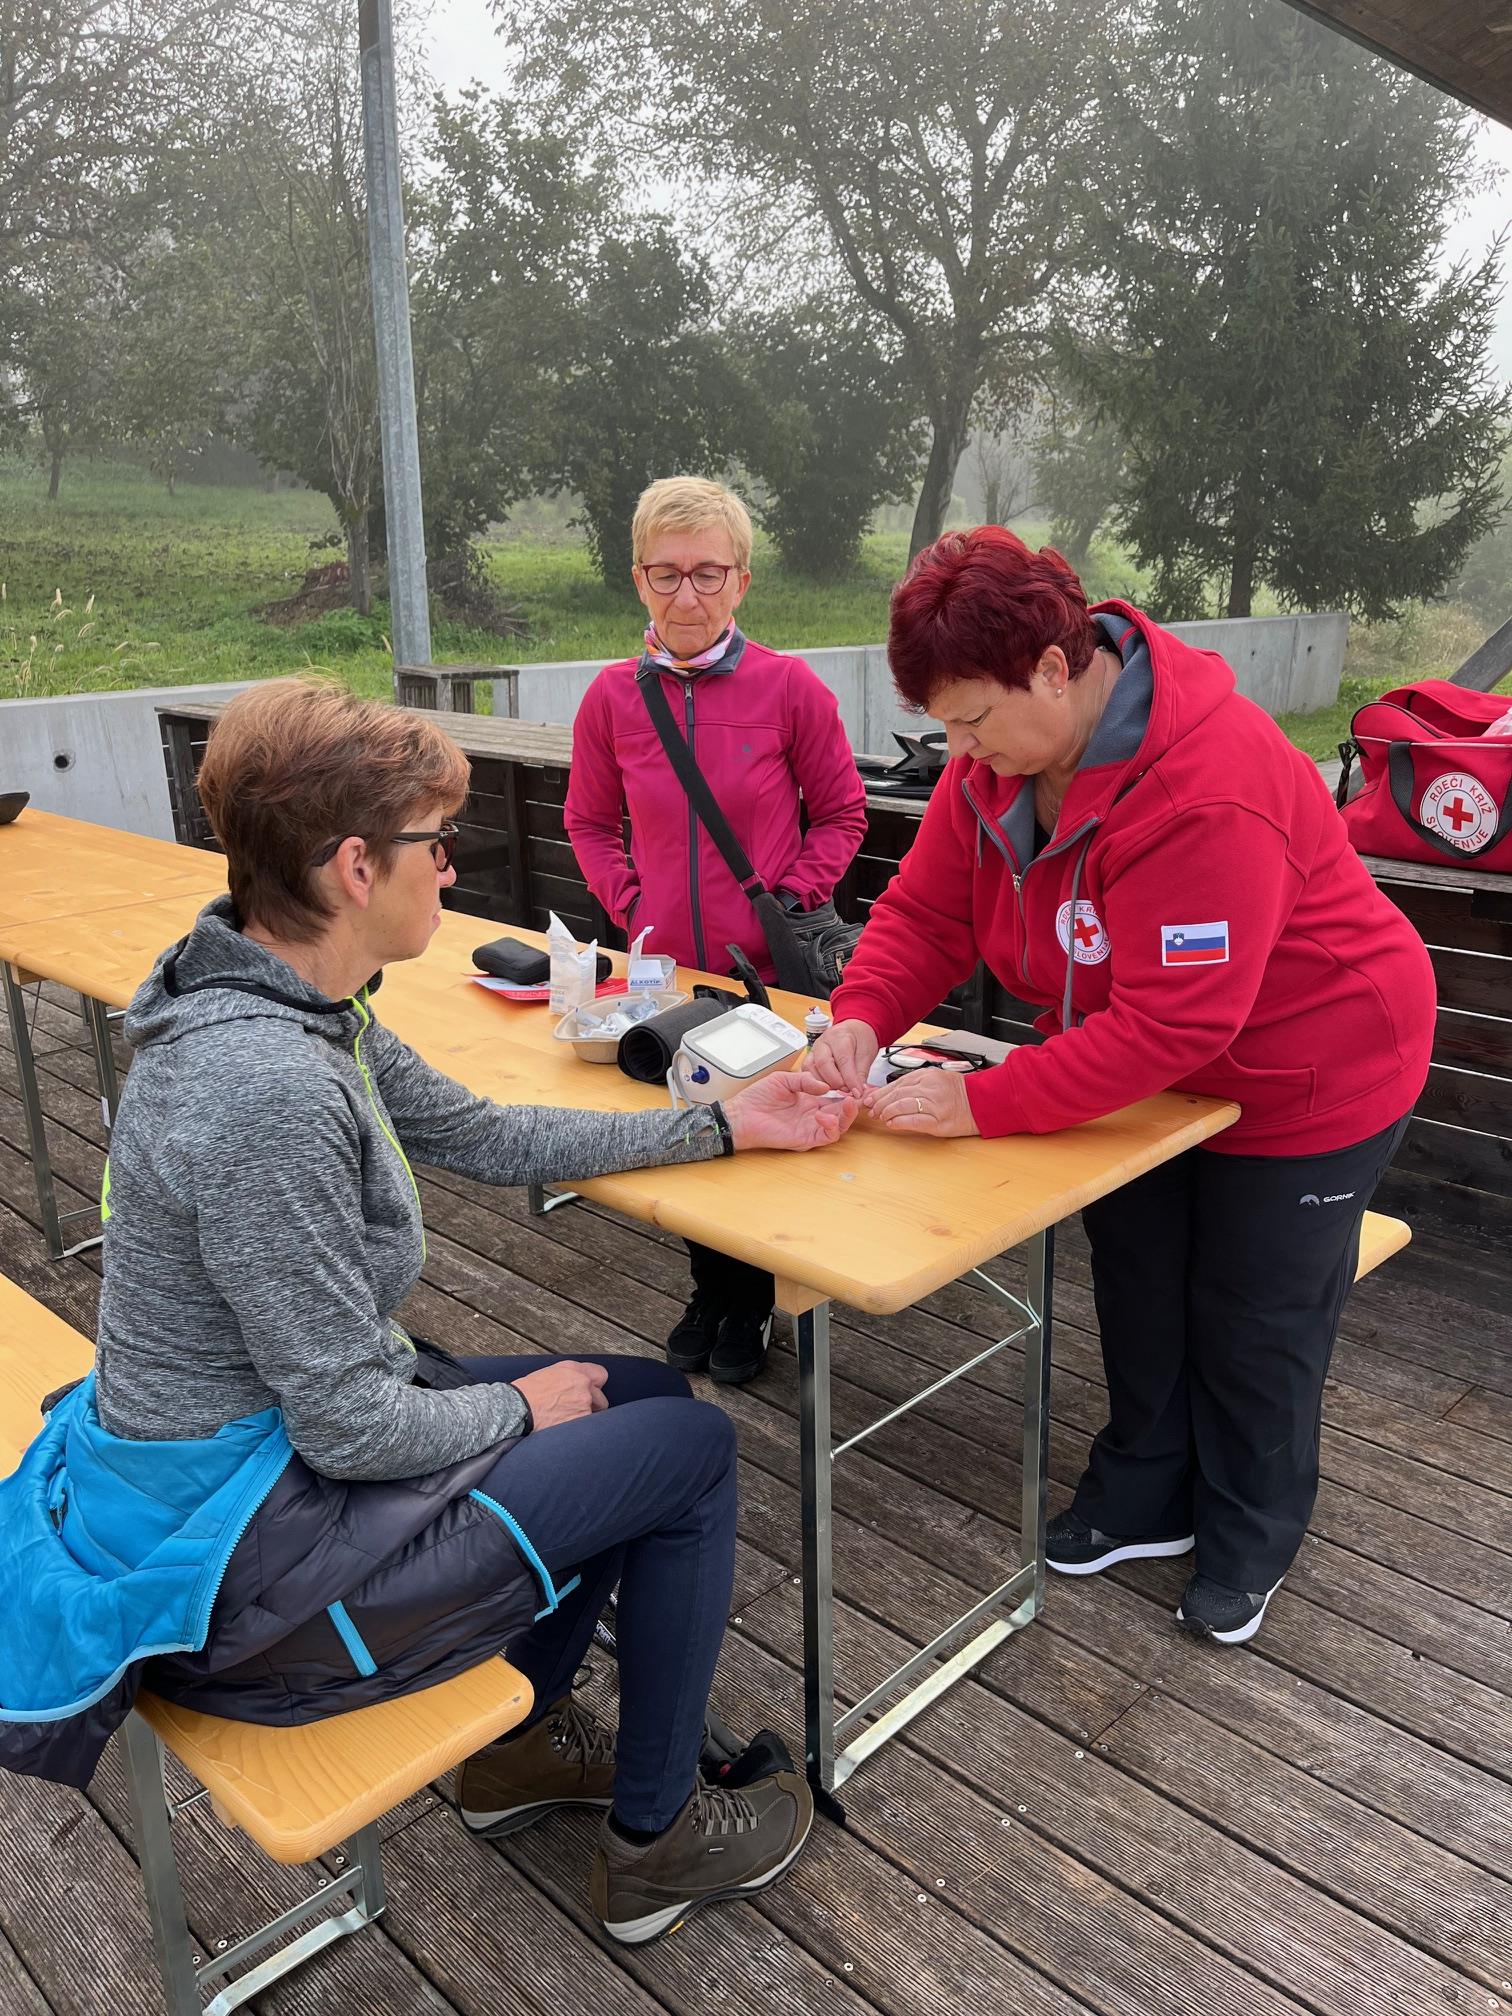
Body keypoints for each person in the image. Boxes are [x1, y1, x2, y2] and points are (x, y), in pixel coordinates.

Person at [0, 680, 861, 1945]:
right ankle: (655, 1842)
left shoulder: (280, 994)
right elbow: (350, 1427)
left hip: (250, 1467)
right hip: (241, 1571)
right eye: (438, 845)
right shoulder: (266, 1085)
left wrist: (726, 1124)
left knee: (641, 1396)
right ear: (357, 867)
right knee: (689, 1447)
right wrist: (518, 1408)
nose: (452, 871)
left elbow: (484, 1132)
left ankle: (518, 1747)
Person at [811, 528, 1435, 1647]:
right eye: (946, 726)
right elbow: (927, 912)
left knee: (1256, 1314)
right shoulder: (993, 766)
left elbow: (1181, 1019)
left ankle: (1250, 1527)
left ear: (1054, 667)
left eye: (973, 720)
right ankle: (1146, 1489)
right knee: (1140, 1278)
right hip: (1133, 1066)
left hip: (1312, 1067)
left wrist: (983, 1102)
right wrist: (860, 1016)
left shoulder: (1210, 782)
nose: (959, 750)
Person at [564, 477, 867, 1387]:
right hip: (670, 975)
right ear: (638, 579)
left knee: (765, 1133)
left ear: (742, 580)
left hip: (767, 974)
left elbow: (842, 813)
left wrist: (791, 895)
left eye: (707, 573)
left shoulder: (789, 687)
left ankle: (759, 1296)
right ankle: (714, 1290)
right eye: (666, 573)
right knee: (690, 1126)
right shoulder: (612, 698)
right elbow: (588, 822)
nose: (686, 595)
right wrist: (633, 910)